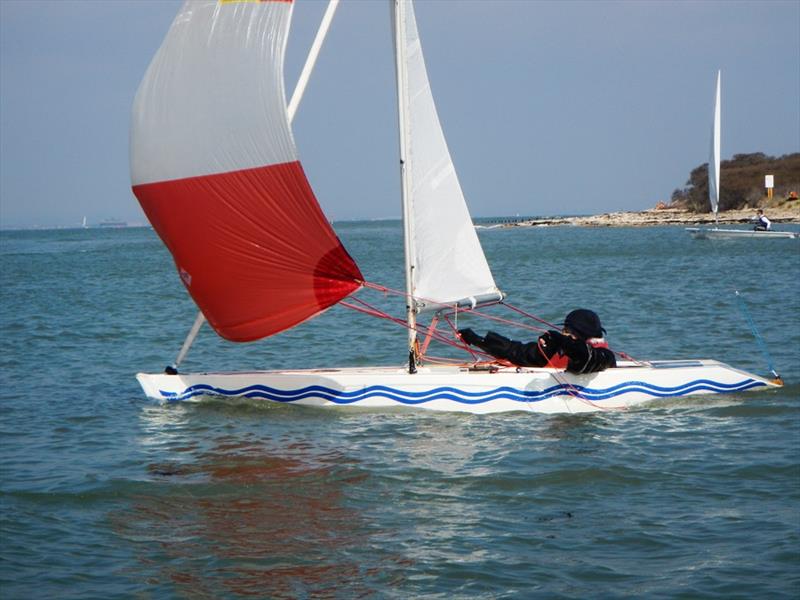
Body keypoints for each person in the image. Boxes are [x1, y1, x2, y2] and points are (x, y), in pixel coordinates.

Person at [458, 308, 616, 374]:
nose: (564, 333)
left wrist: (560, 340)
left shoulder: (604, 356)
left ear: (583, 335)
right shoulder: (558, 350)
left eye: (568, 332)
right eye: (564, 331)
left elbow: (584, 358)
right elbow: (517, 352)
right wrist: (478, 340)